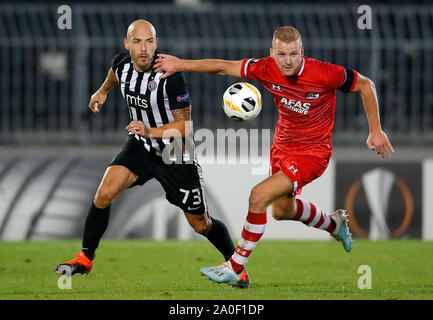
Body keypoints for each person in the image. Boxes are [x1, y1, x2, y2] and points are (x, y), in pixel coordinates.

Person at [154, 25, 394, 288]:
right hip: (282, 148)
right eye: (282, 54)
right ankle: (333, 223)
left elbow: (365, 85)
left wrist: (376, 130)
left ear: (302, 52)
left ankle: (235, 266)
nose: (288, 61)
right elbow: (224, 67)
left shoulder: (325, 73)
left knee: (258, 197)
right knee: (282, 211)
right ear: (273, 53)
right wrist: (180, 64)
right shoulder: (265, 68)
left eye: (293, 54)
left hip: (313, 153)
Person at [56, 20, 235, 277]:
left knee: (200, 224)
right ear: (127, 43)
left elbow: (184, 127)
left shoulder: (171, 75)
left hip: (175, 154)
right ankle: (85, 259)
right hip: (141, 147)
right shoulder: (122, 64)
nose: (144, 48)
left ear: (156, 44)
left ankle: (236, 263)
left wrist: (150, 131)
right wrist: (102, 91)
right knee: (103, 194)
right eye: (137, 42)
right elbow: (114, 75)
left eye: (149, 41)